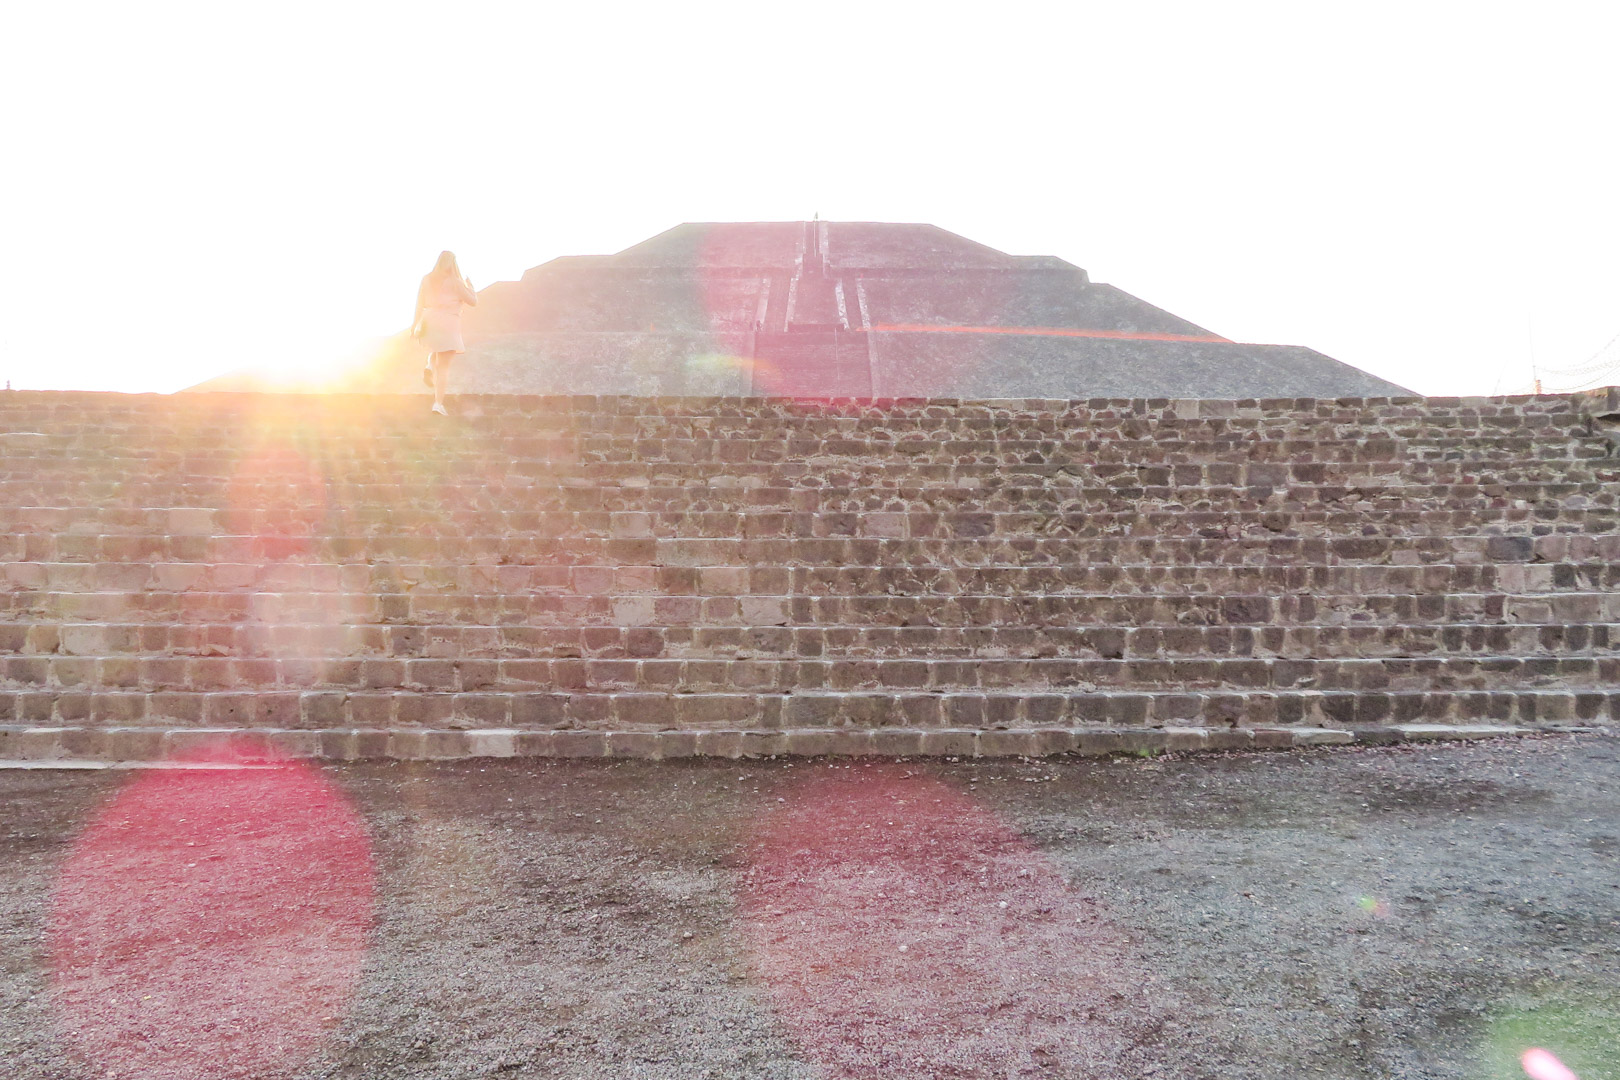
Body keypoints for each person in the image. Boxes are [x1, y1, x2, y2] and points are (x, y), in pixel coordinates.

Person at [412, 251, 478, 415]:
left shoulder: (426, 279)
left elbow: (419, 303)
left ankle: (428, 366)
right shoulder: (455, 282)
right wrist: (471, 287)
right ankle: (438, 404)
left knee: (437, 350)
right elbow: (473, 302)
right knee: (443, 367)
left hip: (429, 320)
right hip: (448, 322)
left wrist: (414, 325)